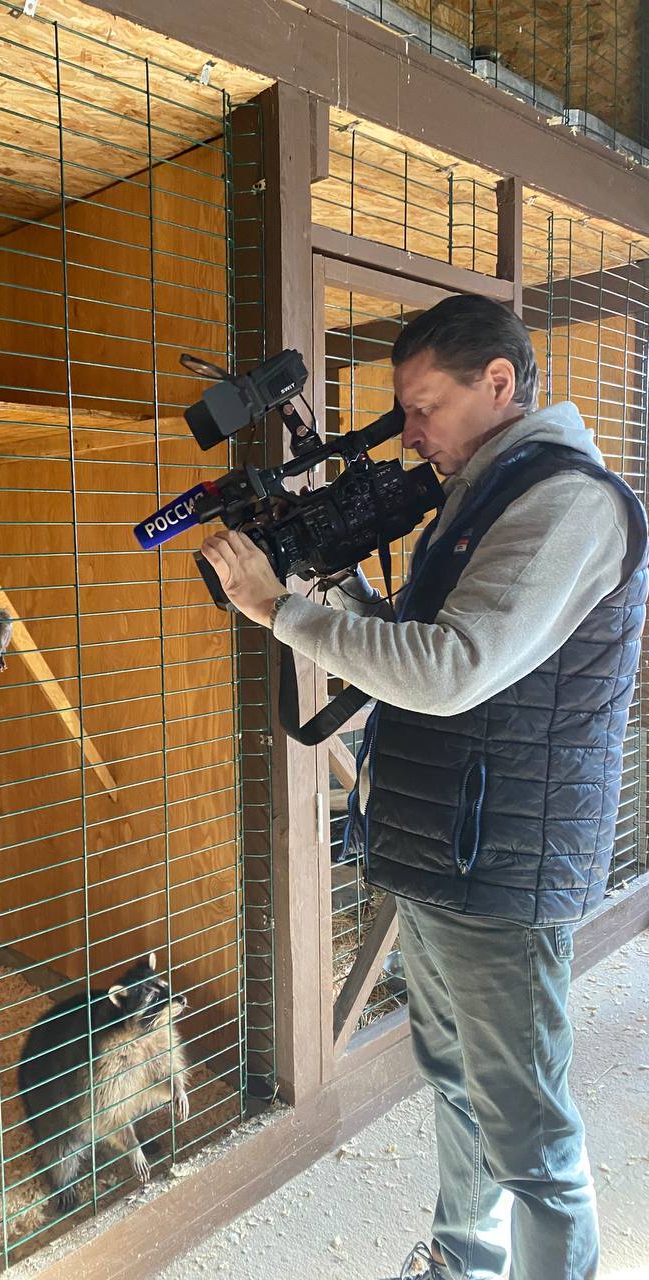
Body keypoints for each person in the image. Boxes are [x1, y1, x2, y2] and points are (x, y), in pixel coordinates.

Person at [200, 294, 648, 1280]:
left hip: (502, 866)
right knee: (454, 1077)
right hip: (443, 846)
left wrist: (279, 613)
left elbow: (449, 669)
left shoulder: (568, 502)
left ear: (499, 382)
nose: (409, 432)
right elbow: (411, 648)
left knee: (528, 1124)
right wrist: (328, 581)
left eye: (424, 406)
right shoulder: (482, 495)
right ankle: (464, 1257)